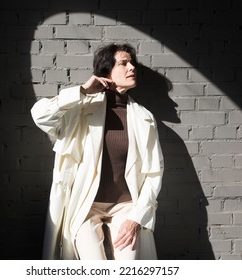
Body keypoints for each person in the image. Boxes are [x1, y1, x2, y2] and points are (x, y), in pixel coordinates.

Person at [31, 43, 164, 260]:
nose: (132, 68)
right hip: (85, 206)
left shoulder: (144, 118)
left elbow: (153, 173)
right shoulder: (81, 107)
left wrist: (137, 218)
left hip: (126, 207)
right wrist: (82, 90)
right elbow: (41, 116)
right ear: (106, 71)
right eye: (124, 63)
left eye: (133, 63)